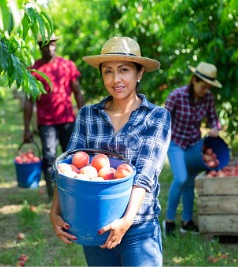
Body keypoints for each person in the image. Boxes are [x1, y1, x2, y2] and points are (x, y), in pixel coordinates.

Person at [49, 37, 171, 266]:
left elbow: (145, 174)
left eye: (124, 70)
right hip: (95, 226)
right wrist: (54, 211)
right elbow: (69, 168)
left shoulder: (155, 117)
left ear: (139, 73)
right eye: (108, 71)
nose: (115, 80)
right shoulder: (88, 115)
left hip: (138, 229)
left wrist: (126, 221)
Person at [163, 61, 222, 236]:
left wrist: (216, 128)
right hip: (175, 143)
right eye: (203, 86)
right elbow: (163, 120)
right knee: (180, 178)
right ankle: (169, 222)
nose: (206, 90)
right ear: (194, 80)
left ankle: (187, 222)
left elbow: (214, 118)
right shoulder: (177, 96)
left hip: (194, 145)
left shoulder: (208, 98)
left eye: (209, 87)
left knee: (190, 182)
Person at [23, 33, 85, 199]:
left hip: (67, 120)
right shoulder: (34, 70)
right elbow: (29, 101)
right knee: (49, 157)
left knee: (71, 156)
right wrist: (26, 128)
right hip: (47, 122)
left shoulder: (67, 66)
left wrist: (84, 116)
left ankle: (72, 190)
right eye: (46, 45)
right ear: (40, 47)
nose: (50, 48)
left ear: (56, 45)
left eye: (52, 44)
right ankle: (53, 193)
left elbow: (77, 92)